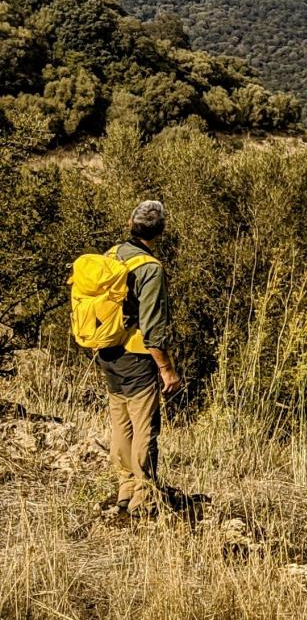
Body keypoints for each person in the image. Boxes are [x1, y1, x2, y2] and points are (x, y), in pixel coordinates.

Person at [96, 199, 180, 516]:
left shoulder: (111, 255)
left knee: (121, 423)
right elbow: (153, 327)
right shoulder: (149, 268)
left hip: (107, 351)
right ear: (160, 230)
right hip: (135, 355)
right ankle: (144, 498)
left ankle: (125, 489)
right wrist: (166, 369)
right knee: (144, 427)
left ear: (130, 225)